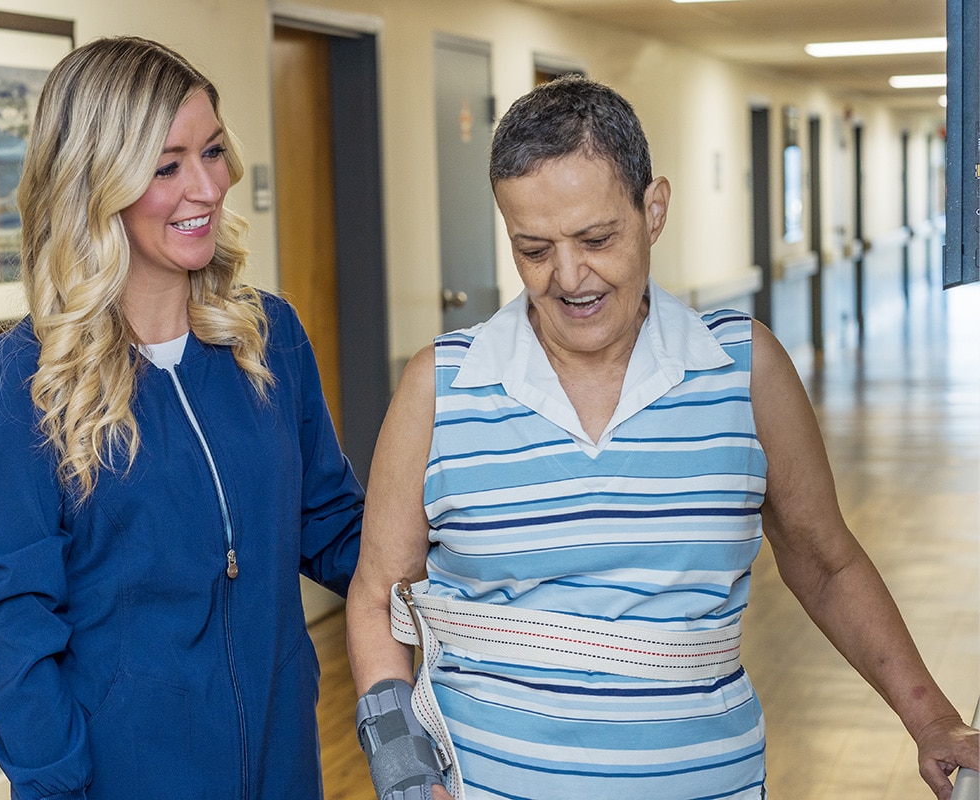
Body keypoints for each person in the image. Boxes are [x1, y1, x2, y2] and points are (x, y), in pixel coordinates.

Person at [346, 74, 978, 800]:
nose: (569, 276)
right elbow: (375, 594)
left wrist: (930, 717)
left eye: (596, 238)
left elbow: (826, 564)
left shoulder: (744, 369)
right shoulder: (441, 385)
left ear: (654, 210)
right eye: (533, 249)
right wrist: (403, 771)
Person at [0, 36, 363, 800]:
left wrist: (461, 554)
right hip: (126, 777)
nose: (205, 186)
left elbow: (331, 523)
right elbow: (16, 630)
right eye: (167, 167)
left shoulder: (268, 339)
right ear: (95, 183)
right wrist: (55, 787)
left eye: (212, 152)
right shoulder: (25, 380)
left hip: (284, 765)